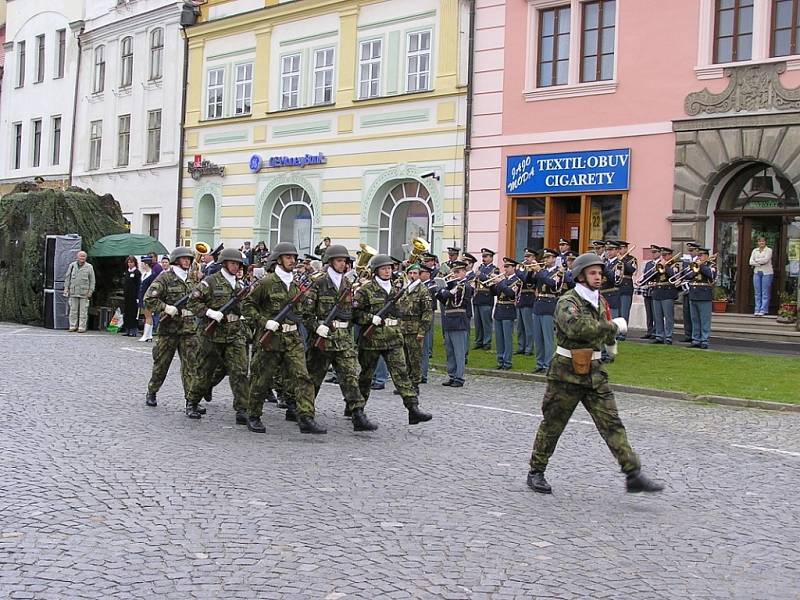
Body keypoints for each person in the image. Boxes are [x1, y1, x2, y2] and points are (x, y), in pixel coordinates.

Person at [526, 253, 663, 495]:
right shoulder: (568, 301)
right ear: (580, 276)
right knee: (553, 424)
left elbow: (602, 329)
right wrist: (613, 327)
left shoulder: (599, 301)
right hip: (566, 374)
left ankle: (633, 473)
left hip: (594, 373)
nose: (598, 277)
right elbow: (578, 328)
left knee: (612, 423)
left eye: (599, 273)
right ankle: (536, 471)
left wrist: (611, 341)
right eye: (593, 273)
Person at [242, 242, 325, 434]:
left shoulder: (296, 286)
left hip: (293, 338)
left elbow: (303, 312)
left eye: (294, 258)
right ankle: (253, 415)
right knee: (262, 378)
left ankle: (306, 417)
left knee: (302, 377)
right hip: (271, 339)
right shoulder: (266, 283)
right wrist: (264, 322)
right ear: (278, 260)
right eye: (288, 257)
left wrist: (317, 324)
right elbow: (247, 306)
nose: (293, 261)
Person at [304, 244, 377, 431]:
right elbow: (305, 312)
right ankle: (304, 413)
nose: (342, 264)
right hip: (323, 338)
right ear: (330, 262)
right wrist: (316, 326)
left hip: (343, 339)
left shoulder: (348, 284)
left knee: (350, 377)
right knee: (314, 379)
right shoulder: (319, 283)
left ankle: (358, 414)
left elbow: (351, 312)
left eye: (344, 261)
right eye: (339, 260)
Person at [353, 254, 432, 424]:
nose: (388, 271)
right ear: (375, 271)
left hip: (393, 338)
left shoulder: (397, 290)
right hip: (372, 340)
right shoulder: (365, 290)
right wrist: (369, 318)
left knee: (401, 374)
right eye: (383, 268)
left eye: (389, 268)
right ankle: (357, 410)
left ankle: (413, 408)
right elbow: (355, 314)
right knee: (366, 377)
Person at [186, 248, 252, 422]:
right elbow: (192, 302)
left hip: (235, 333)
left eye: (238, 264)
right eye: (232, 263)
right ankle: (192, 402)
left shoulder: (240, 285)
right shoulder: (210, 282)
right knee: (204, 370)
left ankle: (242, 409)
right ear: (224, 263)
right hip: (212, 334)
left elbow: (245, 308)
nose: (235, 266)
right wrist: (208, 312)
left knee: (240, 372)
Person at [143, 247, 204, 412]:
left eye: (189, 259)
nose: (187, 261)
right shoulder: (164, 278)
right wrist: (165, 308)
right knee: (161, 364)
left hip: (189, 330)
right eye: (184, 259)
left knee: (191, 366)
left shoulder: (192, 280)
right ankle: (152, 391)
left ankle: (191, 402)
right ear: (176, 260)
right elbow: (149, 298)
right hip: (168, 330)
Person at [396, 263, 433, 393]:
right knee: (403, 357)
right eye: (410, 273)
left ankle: (415, 383)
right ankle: (405, 383)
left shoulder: (422, 290)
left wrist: (422, 331)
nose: (412, 276)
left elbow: (427, 312)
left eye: (415, 273)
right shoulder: (406, 289)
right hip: (403, 327)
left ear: (419, 275)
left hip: (415, 328)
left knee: (415, 358)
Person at [436, 260, 473, 387]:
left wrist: (446, 291)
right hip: (449, 320)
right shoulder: (453, 286)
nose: (454, 275)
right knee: (450, 351)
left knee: (459, 351)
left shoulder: (465, 286)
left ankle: (459, 377)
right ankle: (452, 375)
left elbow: (456, 299)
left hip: (459, 320)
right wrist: (444, 289)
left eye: (457, 272)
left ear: (464, 272)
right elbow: (441, 297)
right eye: (453, 272)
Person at [531, 249, 561, 374]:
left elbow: (553, 284)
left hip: (549, 305)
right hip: (538, 304)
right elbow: (528, 282)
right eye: (545, 258)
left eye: (548, 258)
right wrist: (530, 270)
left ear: (554, 259)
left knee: (548, 338)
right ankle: (539, 363)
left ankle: (548, 364)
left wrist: (539, 271)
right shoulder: (541, 271)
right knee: (538, 338)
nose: (546, 260)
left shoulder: (558, 272)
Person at [492, 258, 520, 370]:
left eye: (508, 267)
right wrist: (492, 285)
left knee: (507, 338)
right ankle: (500, 360)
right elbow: (494, 293)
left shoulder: (517, 280)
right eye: (505, 267)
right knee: (499, 338)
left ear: (514, 268)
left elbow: (511, 293)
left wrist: (500, 283)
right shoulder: (503, 280)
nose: (506, 269)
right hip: (499, 309)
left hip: (508, 309)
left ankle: (507, 361)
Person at [686, 248, 717, 349]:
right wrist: (695, 268)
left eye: (701, 255)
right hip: (693, 294)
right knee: (695, 319)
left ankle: (704, 340)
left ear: (707, 256)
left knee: (704, 320)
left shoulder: (711, 265)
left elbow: (711, 275)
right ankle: (696, 339)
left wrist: (701, 265)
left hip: (704, 295)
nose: (699, 257)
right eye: (698, 255)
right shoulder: (694, 264)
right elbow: (688, 276)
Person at [651, 247, 679, 345]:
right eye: (663, 255)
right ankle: (659, 336)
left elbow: (675, 276)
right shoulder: (658, 264)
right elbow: (650, 276)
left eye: (666, 255)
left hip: (668, 293)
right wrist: (655, 268)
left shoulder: (675, 264)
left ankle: (668, 336)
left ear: (670, 255)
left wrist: (665, 267)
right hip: (657, 293)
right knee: (657, 317)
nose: (664, 257)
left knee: (668, 317)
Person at [63, 251, 96, 333]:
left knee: (83, 311)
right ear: (77, 257)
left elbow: (92, 280)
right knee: (73, 310)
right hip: (73, 291)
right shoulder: (72, 266)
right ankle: (72, 326)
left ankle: (82, 326)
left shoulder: (89, 267)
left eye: (84, 256)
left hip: (84, 293)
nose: (82, 258)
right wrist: (66, 288)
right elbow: (68, 278)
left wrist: (90, 291)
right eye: (81, 256)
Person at [473, 248, 499, 350]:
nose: (483, 258)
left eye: (486, 256)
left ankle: (487, 342)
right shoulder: (480, 267)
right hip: (478, 297)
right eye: (483, 256)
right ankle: (479, 341)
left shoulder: (494, 269)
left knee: (486, 322)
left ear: (491, 258)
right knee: (477, 322)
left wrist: (481, 275)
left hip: (487, 297)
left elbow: (492, 281)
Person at [515, 248, 537, 356]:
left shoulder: (534, 270)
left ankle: (529, 348)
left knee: (528, 327)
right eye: (525, 257)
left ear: (533, 258)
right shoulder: (522, 269)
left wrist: (519, 271)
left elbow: (526, 280)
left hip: (529, 299)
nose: (526, 259)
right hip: (521, 299)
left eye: (528, 257)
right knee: (520, 327)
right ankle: (521, 346)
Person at [419, 265, 437, 384]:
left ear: (427, 274)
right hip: (415, 318)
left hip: (426, 316)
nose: (418, 275)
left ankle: (422, 374)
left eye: (420, 273)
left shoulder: (431, 285)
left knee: (424, 347)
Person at [640, 245, 662, 339]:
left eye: (655, 252)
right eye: (652, 252)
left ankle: (656, 331)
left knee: (655, 312)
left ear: (659, 253)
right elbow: (646, 275)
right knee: (649, 312)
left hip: (656, 289)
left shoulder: (662, 264)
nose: (653, 254)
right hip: (648, 288)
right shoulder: (649, 264)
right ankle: (649, 330)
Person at [616, 241, 637, 336]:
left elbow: (632, 270)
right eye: (618, 248)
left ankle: (622, 333)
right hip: (616, 288)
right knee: (616, 312)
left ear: (626, 249)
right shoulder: (615, 259)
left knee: (624, 312)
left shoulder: (631, 259)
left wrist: (622, 261)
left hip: (626, 287)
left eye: (621, 248)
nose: (619, 250)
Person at [749, 236, 774, 316]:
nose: (761, 243)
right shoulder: (754, 250)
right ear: (758, 242)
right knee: (757, 292)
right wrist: (759, 262)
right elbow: (750, 262)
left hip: (767, 273)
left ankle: (763, 310)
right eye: (760, 241)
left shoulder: (769, 250)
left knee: (765, 292)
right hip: (756, 272)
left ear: (765, 242)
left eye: (763, 241)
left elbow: (766, 260)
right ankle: (757, 309)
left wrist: (756, 262)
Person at [680, 242, 699, 341]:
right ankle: (688, 334)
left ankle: (694, 335)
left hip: (695, 289)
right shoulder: (686, 261)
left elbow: (692, 275)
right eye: (689, 251)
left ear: (697, 251)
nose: (690, 253)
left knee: (694, 314)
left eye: (692, 250)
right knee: (686, 313)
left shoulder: (699, 262)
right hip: (686, 288)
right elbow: (683, 273)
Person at [122, 256, 141, 337]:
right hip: (127, 296)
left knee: (133, 313)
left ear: (135, 263)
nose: (130, 264)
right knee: (127, 312)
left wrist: (138, 297)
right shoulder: (126, 272)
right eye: (129, 262)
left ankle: (133, 330)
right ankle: (127, 329)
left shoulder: (137, 272)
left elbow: (138, 285)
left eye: (131, 262)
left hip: (134, 296)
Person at [138, 257, 155, 342]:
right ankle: (149, 335)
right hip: (142, 297)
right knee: (148, 316)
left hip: (148, 298)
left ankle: (145, 335)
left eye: (143, 264)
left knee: (148, 316)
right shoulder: (144, 273)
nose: (142, 265)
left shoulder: (152, 274)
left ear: (146, 264)